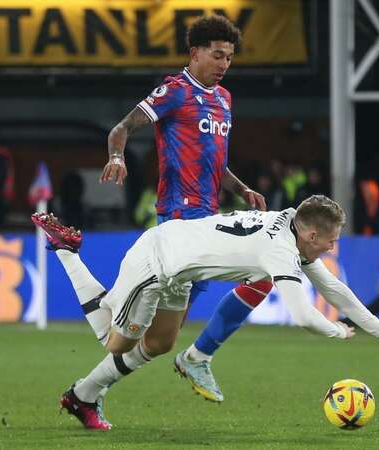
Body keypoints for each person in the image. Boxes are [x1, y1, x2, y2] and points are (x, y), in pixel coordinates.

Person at [32, 195, 379, 430]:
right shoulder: (280, 250)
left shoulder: (289, 223)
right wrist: (339, 332)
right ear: (311, 236)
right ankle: (67, 252)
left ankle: (82, 395)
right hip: (155, 263)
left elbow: (332, 288)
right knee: (115, 343)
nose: (332, 249)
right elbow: (304, 317)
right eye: (331, 242)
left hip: (179, 263)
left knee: (161, 343)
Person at [74, 15, 270, 403]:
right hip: (180, 223)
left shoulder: (223, 100)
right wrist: (117, 157)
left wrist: (241, 187)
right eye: (217, 55)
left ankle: (84, 392)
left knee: (158, 340)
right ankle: (197, 356)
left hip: (208, 221)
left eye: (229, 58)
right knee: (266, 268)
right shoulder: (175, 91)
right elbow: (122, 128)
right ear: (194, 53)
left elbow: (215, 165)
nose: (223, 64)